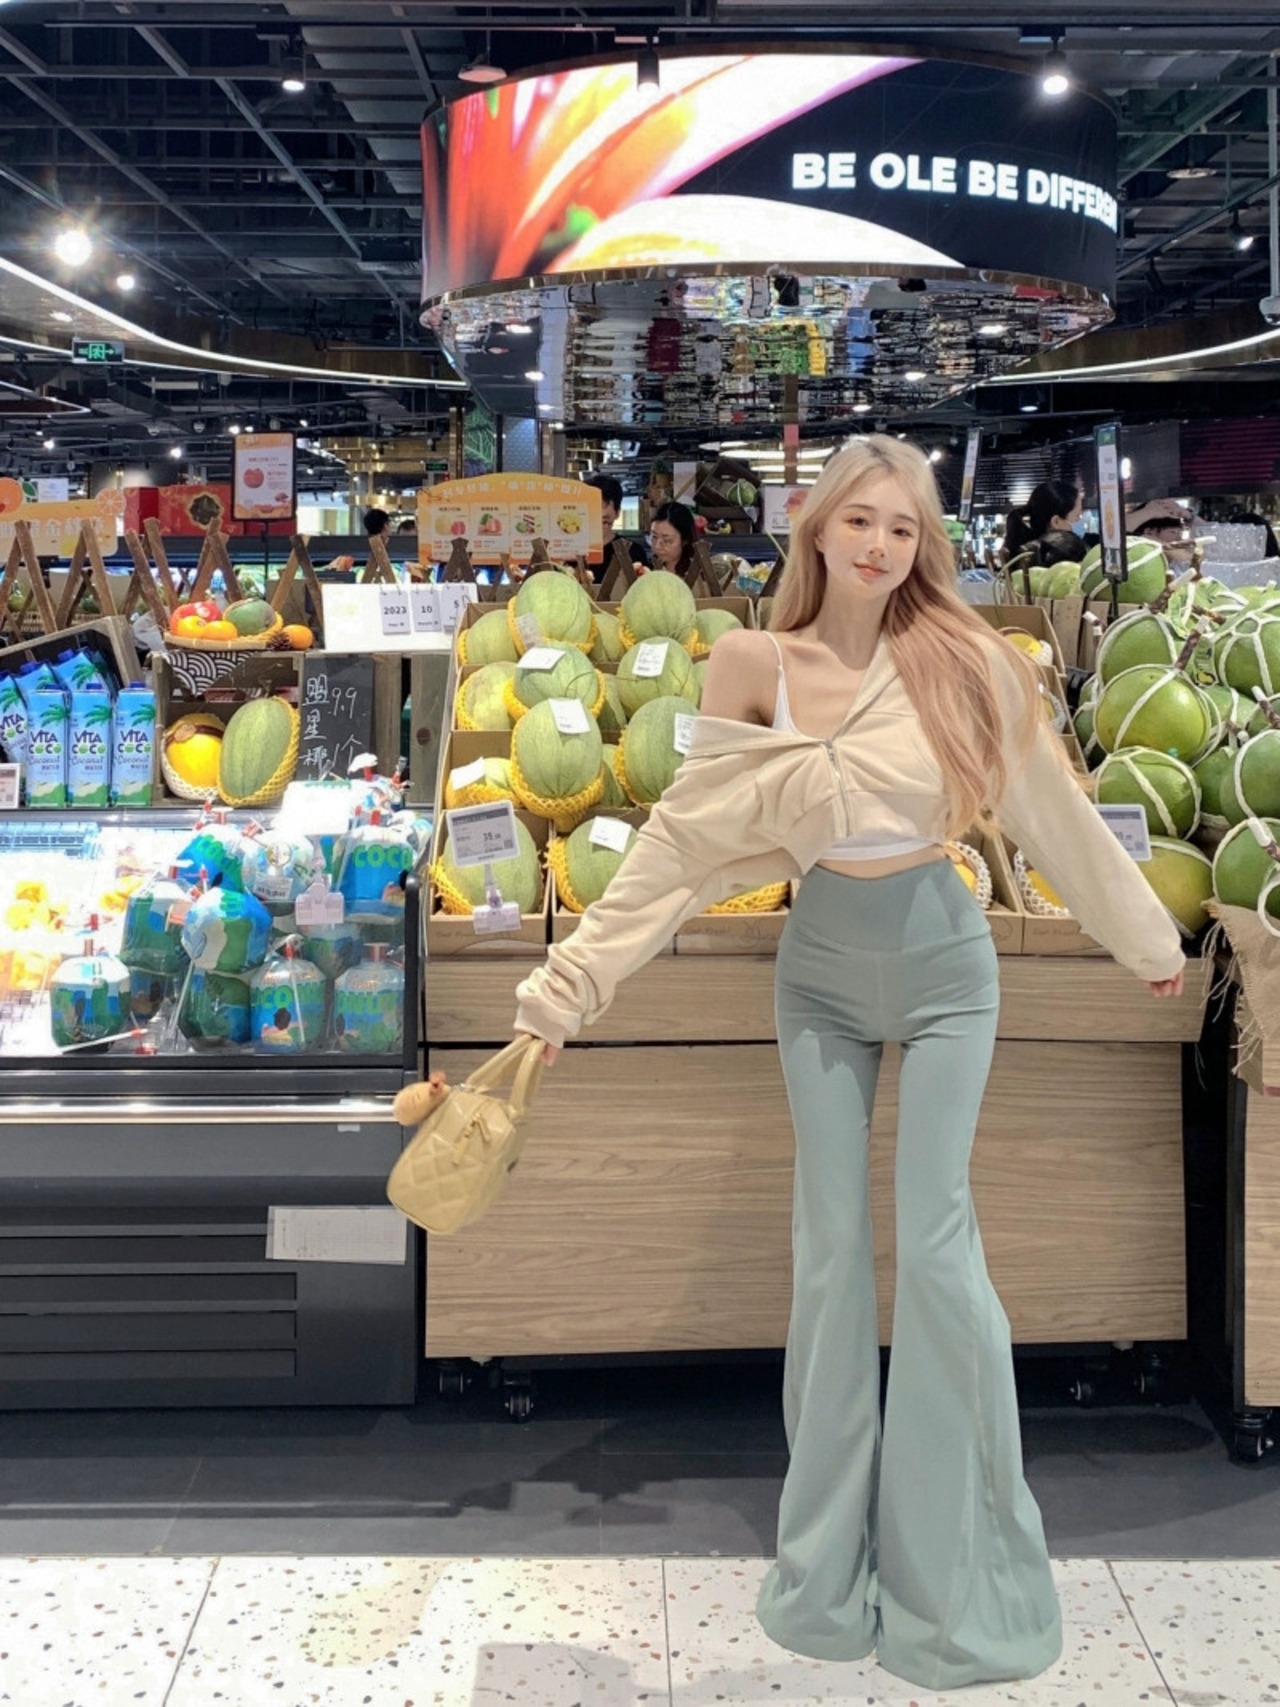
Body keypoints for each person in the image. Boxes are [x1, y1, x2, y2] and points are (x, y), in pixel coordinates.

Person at [509, 436, 1185, 1692]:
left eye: (902, 528)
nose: (878, 545)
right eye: (858, 520)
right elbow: (675, 848)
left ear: (923, 546)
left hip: (943, 969)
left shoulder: (967, 661)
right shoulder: (750, 663)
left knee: (936, 1252)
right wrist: (564, 992)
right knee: (827, 1258)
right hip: (816, 969)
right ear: (815, 527)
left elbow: (1051, 813)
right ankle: (822, 1577)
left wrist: (1143, 939)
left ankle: (952, 1586)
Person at [1001, 479, 1081, 562]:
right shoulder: (1058, 560)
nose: (1080, 520)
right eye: (1077, 515)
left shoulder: (1026, 556)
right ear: (1056, 522)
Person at [583, 473, 649, 570]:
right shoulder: (569, 550)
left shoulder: (632, 552)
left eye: (604, 522)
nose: (596, 527)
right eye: (592, 518)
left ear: (617, 512)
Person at [648, 498, 697, 575]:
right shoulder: (647, 570)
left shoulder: (697, 573)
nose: (657, 546)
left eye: (667, 540)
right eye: (654, 537)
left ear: (685, 540)